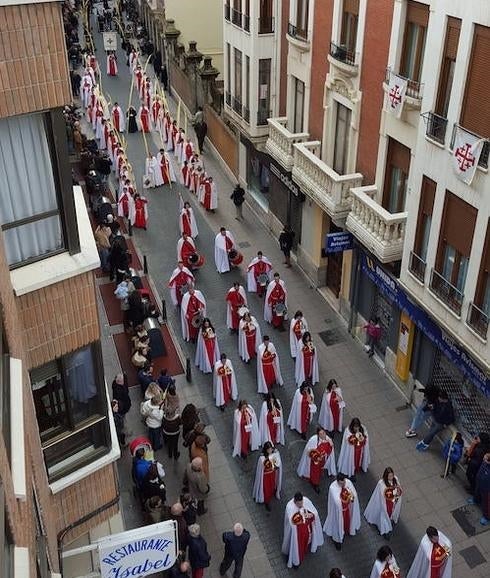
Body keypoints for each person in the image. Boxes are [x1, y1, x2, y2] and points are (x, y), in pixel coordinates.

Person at [282, 492, 323, 568]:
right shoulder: (290, 507)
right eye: (299, 504)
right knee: (296, 547)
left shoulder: (305, 500)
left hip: (306, 529)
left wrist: (311, 515)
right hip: (297, 534)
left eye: (302, 503)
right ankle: (295, 560)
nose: (301, 505)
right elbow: (291, 523)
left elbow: (314, 512)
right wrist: (301, 518)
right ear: (295, 501)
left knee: (306, 543)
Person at [323, 473, 361, 550]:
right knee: (337, 525)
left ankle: (347, 530)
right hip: (338, 512)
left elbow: (354, 494)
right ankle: (337, 540)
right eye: (341, 483)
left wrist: (352, 496)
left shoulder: (348, 482)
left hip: (346, 510)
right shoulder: (333, 488)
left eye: (344, 482)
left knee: (346, 522)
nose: (343, 484)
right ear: (338, 481)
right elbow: (337, 501)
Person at [364, 467, 403, 538]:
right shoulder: (381, 484)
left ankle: (390, 520)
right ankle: (385, 530)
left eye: (392, 475)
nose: (391, 477)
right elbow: (381, 496)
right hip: (385, 503)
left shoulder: (395, 479)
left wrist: (397, 496)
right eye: (389, 476)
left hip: (393, 502)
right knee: (384, 517)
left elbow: (398, 489)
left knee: (390, 514)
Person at [297, 427, 336, 493]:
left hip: (322, 459)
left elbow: (329, 449)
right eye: (321, 434)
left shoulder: (328, 439)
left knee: (320, 470)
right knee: (315, 472)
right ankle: (315, 484)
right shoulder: (313, 440)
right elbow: (308, 450)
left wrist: (331, 444)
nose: (323, 435)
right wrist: (315, 456)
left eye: (323, 433)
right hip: (315, 461)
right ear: (318, 435)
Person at [252, 442, 282, 511]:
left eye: (270, 449)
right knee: (266, 488)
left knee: (272, 486)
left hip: (272, 474)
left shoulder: (274, 455)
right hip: (266, 476)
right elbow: (261, 469)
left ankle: (271, 495)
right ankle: (267, 501)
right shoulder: (262, 458)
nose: (270, 450)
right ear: (266, 450)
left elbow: (277, 464)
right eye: (268, 449)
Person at [469, 452, 490, 525]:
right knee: (477, 491)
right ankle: (475, 500)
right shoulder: (485, 461)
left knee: (486, 502)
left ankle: (487, 517)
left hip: (487, 487)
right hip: (480, 480)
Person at [161, 389, 181, 460]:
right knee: (175, 444)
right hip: (175, 432)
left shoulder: (164, 417)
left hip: (167, 432)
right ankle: (175, 455)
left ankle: (170, 454)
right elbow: (180, 424)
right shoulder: (177, 418)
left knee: (169, 443)